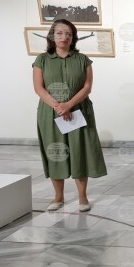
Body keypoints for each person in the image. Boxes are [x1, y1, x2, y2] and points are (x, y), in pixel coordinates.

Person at [32, 19, 107, 212]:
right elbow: (38, 88)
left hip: (79, 111)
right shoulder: (42, 60)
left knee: (80, 151)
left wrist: (68, 105)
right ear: (52, 36)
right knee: (56, 152)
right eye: (59, 33)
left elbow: (87, 87)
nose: (64, 37)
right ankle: (58, 197)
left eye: (68, 33)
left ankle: (83, 197)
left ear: (73, 37)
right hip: (50, 113)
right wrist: (58, 107)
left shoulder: (83, 60)